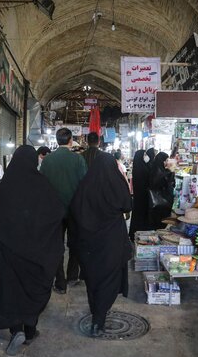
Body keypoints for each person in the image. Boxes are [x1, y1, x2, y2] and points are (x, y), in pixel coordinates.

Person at [0, 145, 65, 356]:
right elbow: (58, 212)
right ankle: (31, 331)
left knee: (12, 290)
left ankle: (16, 330)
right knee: (34, 289)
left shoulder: (7, 186)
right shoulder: (42, 185)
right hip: (38, 252)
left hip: (11, 250)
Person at [70, 153, 132, 337]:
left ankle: (96, 312)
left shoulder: (85, 186)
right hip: (111, 242)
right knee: (109, 279)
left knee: (92, 278)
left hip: (89, 244)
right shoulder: (116, 183)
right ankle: (99, 318)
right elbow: (127, 205)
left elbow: (74, 210)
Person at [40, 128, 88, 293]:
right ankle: (72, 276)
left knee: (56, 246)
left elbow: (42, 185)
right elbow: (84, 185)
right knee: (74, 244)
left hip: (53, 211)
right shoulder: (78, 159)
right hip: (74, 210)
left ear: (57, 140)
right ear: (71, 140)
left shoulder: (47, 160)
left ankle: (60, 282)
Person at [148, 152, 174, 229]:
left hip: (157, 204)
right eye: (166, 160)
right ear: (161, 160)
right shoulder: (159, 172)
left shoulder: (155, 169)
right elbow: (168, 184)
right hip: (160, 204)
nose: (167, 162)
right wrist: (171, 172)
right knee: (160, 223)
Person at [129, 150, 149, 240]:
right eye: (144, 154)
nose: (146, 156)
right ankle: (139, 234)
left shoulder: (137, 166)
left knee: (137, 215)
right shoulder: (143, 167)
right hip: (142, 195)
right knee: (140, 215)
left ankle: (133, 233)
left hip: (138, 195)